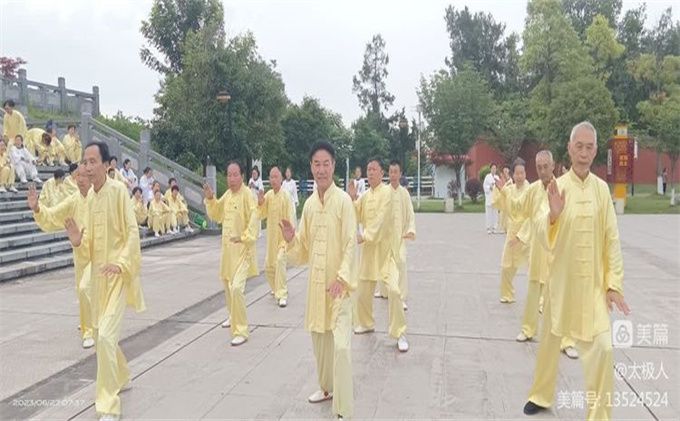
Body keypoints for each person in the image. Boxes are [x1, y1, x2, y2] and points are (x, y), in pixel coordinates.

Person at [523, 122, 630, 420]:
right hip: (561, 283)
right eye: (578, 146)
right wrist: (553, 216)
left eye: (589, 147)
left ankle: (599, 416)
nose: (583, 153)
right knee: (550, 342)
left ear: (595, 151)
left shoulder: (602, 190)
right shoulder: (557, 187)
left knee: (604, 349)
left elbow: (611, 239)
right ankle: (540, 395)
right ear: (569, 149)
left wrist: (613, 284)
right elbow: (540, 230)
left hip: (593, 287)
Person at [63, 141, 145, 421]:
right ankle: (122, 375)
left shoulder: (119, 191)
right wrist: (78, 241)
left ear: (107, 165)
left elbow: (132, 232)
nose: (87, 167)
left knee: (107, 337)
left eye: (92, 161)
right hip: (99, 279)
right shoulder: (89, 200)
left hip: (118, 276)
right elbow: (88, 247)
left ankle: (108, 405)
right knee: (101, 337)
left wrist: (121, 263)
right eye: (84, 162)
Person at [280, 141, 356, 420]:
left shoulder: (344, 202)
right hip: (317, 289)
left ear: (333, 166)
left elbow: (350, 243)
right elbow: (303, 251)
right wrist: (291, 239)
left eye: (326, 164)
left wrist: (342, 278)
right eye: (316, 164)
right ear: (311, 167)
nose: (321, 169)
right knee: (321, 345)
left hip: (340, 289)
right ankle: (326, 388)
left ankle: (344, 411)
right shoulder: (310, 206)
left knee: (341, 348)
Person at [511, 151, 578, 358]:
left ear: (553, 165)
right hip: (537, 250)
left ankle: (566, 341)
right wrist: (505, 192)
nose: (542, 171)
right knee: (533, 292)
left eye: (545, 166)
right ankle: (528, 330)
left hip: (556, 251)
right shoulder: (532, 190)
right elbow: (519, 210)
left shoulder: (562, 188)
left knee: (560, 296)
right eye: (538, 167)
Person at [28, 164, 95, 349]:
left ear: (91, 178)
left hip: (99, 254)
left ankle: (89, 331)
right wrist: (38, 209)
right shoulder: (73, 201)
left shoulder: (101, 199)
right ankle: (88, 323)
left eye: (84, 176)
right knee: (82, 290)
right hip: (80, 253)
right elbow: (53, 215)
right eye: (77, 176)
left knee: (86, 288)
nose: (80, 180)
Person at [349, 157, 409, 352]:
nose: (370, 172)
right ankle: (366, 323)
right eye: (368, 169)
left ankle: (400, 333)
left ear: (382, 173)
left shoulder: (388, 194)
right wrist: (352, 199)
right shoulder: (365, 196)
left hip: (385, 252)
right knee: (362, 291)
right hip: (369, 252)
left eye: (374, 169)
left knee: (394, 291)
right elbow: (355, 213)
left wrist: (364, 235)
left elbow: (382, 220)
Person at [203, 161, 258, 346]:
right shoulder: (227, 195)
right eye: (229, 175)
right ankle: (232, 315)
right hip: (228, 251)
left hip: (243, 251)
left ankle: (241, 330)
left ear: (242, 176)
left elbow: (255, 219)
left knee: (236, 288)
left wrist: (244, 237)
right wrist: (210, 199)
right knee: (227, 284)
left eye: (235, 175)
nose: (232, 178)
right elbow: (217, 214)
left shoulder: (247, 195)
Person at [492, 158, 529, 304]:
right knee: (507, 265)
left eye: (522, 173)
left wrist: (522, 236)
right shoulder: (510, 189)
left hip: (527, 233)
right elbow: (502, 201)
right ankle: (507, 294)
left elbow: (532, 214)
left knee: (535, 267)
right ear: (513, 174)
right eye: (517, 173)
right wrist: (501, 189)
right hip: (512, 232)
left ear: (525, 173)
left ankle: (540, 299)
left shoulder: (530, 190)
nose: (519, 176)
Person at [257, 166, 293, 307]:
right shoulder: (269, 196)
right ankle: (275, 288)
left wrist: (290, 235)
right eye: (271, 177)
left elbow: (291, 217)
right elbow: (261, 214)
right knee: (269, 266)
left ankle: (282, 294)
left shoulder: (286, 196)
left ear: (281, 178)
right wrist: (260, 203)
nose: (273, 180)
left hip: (283, 239)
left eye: (276, 176)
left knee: (280, 262)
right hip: (271, 239)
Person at [388, 160, 416, 311]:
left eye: (395, 172)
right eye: (391, 172)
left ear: (400, 174)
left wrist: (410, 229)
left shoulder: (404, 193)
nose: (393, 175)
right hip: (386, 238)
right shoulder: (384, 192)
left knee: (401, 264)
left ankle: (401, 298)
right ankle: (385, 292)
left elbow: (410, 213)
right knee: (385, 267)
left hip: (400, 237)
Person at [247, 166, 264, 276]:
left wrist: (255, 186)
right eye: (252, 173)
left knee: (258, 217)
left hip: (257, 200)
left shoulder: (259, 181)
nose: (254, 175)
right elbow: (248, 189)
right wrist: (250, 186)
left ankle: (258, 232)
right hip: (251, 200)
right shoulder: (250, 180)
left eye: (255, 173)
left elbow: (261, 190)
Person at [483, 163, 500, 234]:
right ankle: (488, 228)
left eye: (495, 168)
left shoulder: (497, 177)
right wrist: (489, 187)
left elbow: (499, 186)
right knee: (489, 214)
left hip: (495, 198)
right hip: (489, 197)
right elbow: (484, 186)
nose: (494, 170)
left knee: (495, 214)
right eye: (492, 168)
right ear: (490, 169)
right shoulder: (487, 177)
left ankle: (494, 228)